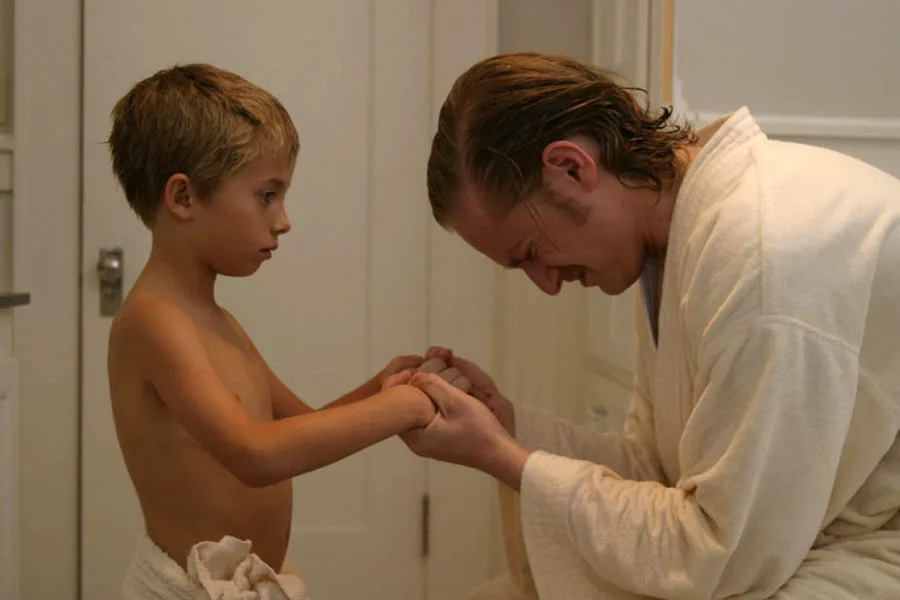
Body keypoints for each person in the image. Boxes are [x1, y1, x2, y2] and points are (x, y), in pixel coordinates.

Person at [400, 52, 900, 599]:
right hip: (792, 544)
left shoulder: (760, 255)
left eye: (531, 252)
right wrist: (506, 426)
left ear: (571, 168)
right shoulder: (678, 242)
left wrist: (501, 456)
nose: (546, 285)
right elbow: (659, 471)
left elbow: (720, 556)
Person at [105, 63, 467, 599]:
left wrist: (382, 388)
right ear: (182, 198)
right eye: (266, 195)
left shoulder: (218, 321)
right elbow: (255, 455)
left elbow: (299, 427)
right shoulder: (153, 321)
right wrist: (405, 408)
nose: (283, 220)